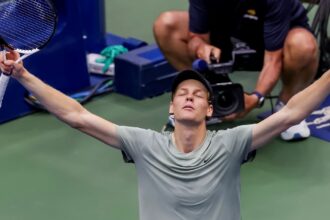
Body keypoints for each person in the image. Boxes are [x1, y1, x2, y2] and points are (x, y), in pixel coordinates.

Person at [1, 50, 329, 220]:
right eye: (182, 93)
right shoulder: (145, 145)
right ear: (171, 109)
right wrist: (23, 74)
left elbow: (290, 114)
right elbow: (78, 116)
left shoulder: (231, 143)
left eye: (198, 94)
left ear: (209, 111)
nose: (189, 96)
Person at [153, 0, 320, 141]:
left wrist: (256, 98)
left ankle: (288, 107)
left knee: (303, 46)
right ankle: (213, 97)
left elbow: (272, 60)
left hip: (275, 44)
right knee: (166, 25)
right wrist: (201, 47)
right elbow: (196, 37)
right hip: (229, 36)